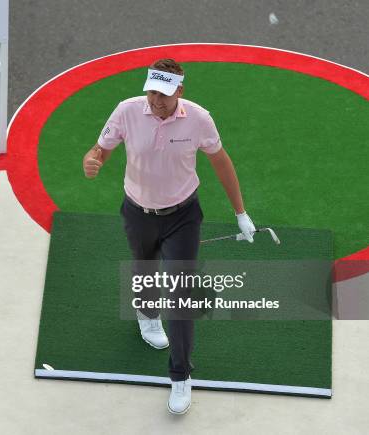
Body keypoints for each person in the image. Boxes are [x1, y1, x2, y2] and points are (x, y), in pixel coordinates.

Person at [82, 59, 256, 415]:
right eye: (151, 93)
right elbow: (100, 149)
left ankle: (180, 375)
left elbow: (221, 161)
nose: (156, 102)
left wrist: (241, 213)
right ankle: (147, 314)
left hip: (183, 216)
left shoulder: (199, 119)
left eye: (163, 95)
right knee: (143, 268)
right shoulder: (127, 111)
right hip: (137, 211)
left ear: (180, 91)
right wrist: (92, 159)